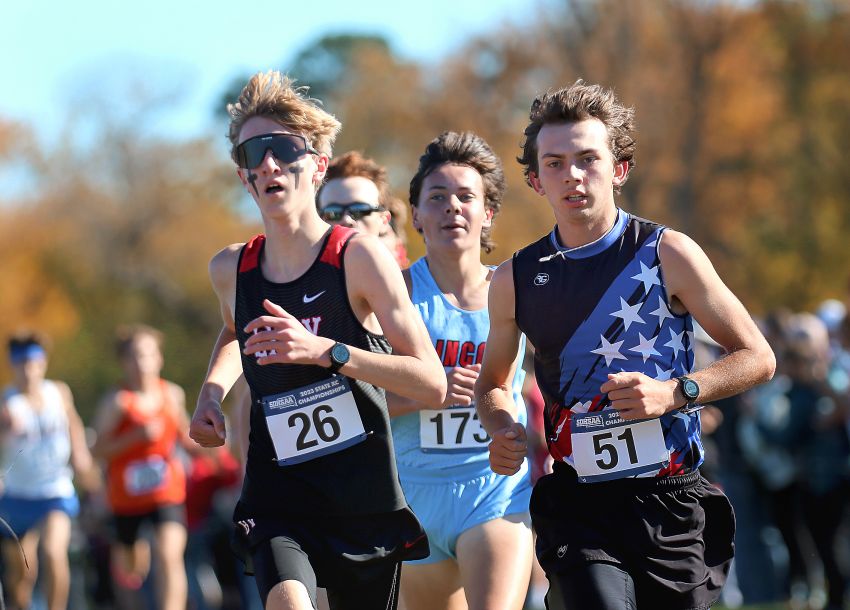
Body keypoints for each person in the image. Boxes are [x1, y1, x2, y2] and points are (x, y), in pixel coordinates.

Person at [474, 80, 776, 609]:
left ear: (619, 169)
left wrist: (674, 393)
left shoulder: (668, 254)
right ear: (534, 180)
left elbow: (758, 358)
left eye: (588, 159)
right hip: (578, 504)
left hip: (669, 501)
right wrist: (502, 427)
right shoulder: (514, 279)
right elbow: (493, 385)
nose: (572, 175)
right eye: (555, 163)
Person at [188, 70, 445, 610]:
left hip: (361, 496)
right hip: (278, 494)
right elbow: (236, 331)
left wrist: (327, 353)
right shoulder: (232, 268)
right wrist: (211, 392)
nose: (269, 164)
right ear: (243, 177)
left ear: (317, 165)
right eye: (253, 153)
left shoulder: (357, 257)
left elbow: (431, 382)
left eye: (283, 149)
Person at [387, 131, 533, 610]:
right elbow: (358, 404)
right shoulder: (396, 297)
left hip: (495, 487)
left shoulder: (516, 289)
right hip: (413, 494)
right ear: (416, 216)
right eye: (437, 197)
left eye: (466, 196)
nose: (453, 207)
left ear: (487, 213)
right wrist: (427, 392)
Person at [92, 324, 192, 610]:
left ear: (159, 358)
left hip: (166, 492)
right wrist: (134, 437)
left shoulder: (172, 394)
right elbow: (98, 451)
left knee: (169, 555)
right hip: (127, 499)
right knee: (132, 568)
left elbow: (185, 435)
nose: (142, 363)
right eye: (135, 356)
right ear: (124, 362)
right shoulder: (117, 401)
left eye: (148, 355)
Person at [0, 331, 96, 610]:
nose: (29, 371)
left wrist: (81, 458)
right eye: (22, 364)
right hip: (17, 496)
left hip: (55, 490)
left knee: (54, 552)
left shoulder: (59, 392)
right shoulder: (7, 403)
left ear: (43, 363)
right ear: (13, 365)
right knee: (22, 574)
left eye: (34, 363)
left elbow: (73, 424)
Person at [317, 150, 410, 267]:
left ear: (384, 220)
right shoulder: (301, 281)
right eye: (333, 212)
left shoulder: (406, 283)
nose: (346, 220)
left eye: (360, 210)